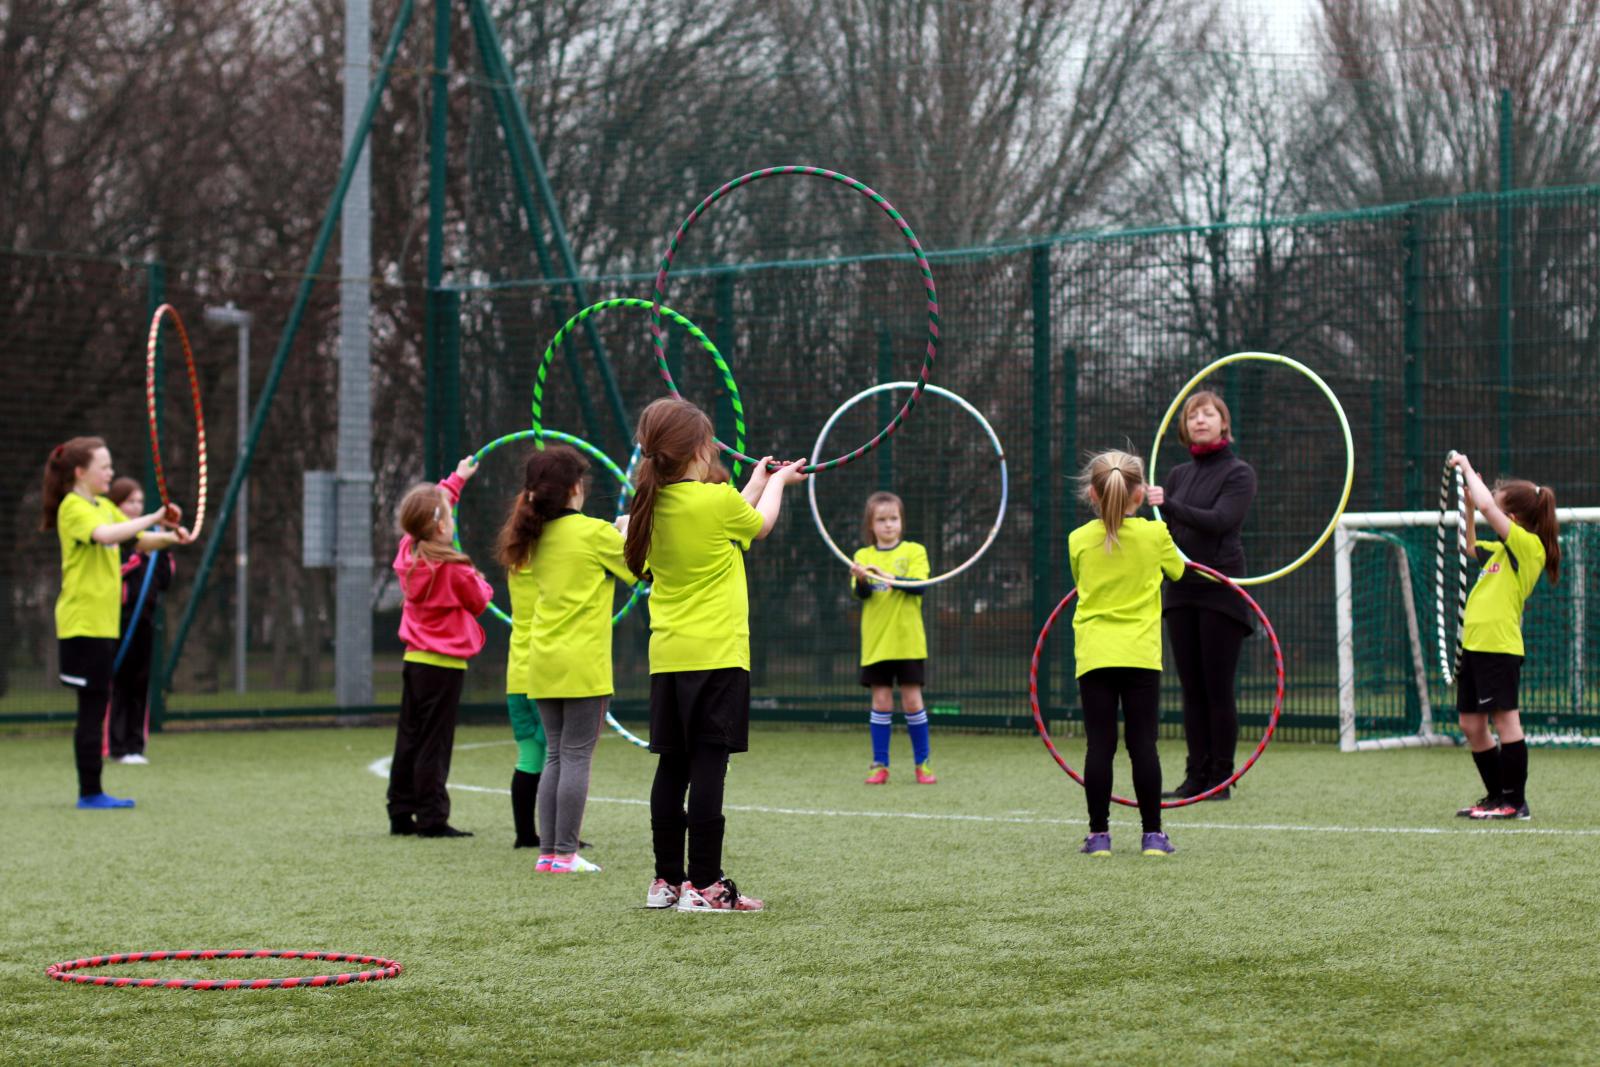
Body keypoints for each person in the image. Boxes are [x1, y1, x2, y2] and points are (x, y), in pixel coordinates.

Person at [624, 397, 807, 912]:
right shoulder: (713, 501)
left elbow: (732, 512)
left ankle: (667, 882)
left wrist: (757, 479)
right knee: (708, 767)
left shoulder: (651, 507)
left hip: (670, 661)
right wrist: (776, 484)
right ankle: (704, 885)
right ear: (696, 452)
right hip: (719, 658)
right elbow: (759, 524)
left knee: (672, 768)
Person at [497, 444, 634, 874]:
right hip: (581, 665)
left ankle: (549, 854)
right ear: (576, 488)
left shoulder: (532, 537)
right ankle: (566, 854)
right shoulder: (595, 534)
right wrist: (627, 532)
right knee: (574, 756)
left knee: (556, 755)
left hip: (542, 663)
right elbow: (643, 571)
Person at [41, 437, 188, 809]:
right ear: (80, 472)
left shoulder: (104, 505)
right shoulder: (73, 509)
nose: (110, 472)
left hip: (104, 625)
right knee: (92, 707)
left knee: (97, 703)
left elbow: (136, 541)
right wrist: (155, 517)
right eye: (103, 466)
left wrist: (171, 537)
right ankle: (90, 792)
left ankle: (92, 790)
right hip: (81, 625)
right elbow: (106, 536)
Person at [1069, 449, 1185, 857]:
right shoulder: (1156, 536)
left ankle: (1098, 837)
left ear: (1092, 494)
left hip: (1095, 654)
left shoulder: (1078, 539)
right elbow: (1178, 571)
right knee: (1143, 745)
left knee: (1099, 746)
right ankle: (1153, 835)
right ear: (1139, 494)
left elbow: (1081, 578)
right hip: (1140, 655)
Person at [1146, 390, 1256, 801]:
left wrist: (1169, 505)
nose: (1200, 420)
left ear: (1223, 423)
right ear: (1184, 426)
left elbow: (1221, 520)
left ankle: (1221, 777)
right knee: (1191, 689)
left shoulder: (1239, 473)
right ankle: (1195, 775)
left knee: (1217, 687)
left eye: (1208, 414)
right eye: (1193, 415)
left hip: (1220, 589)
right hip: (1181, 589)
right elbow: (1166, 534)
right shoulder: (1177, 475)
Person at [1448, 453, 1560, 821]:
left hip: (1499, 648)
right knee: (1470, 724)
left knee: (1505, 720)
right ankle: (1497, 797)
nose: (1486, 510)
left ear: (1511, 519)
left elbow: (1485, 502)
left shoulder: (1529, 548)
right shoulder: (1500, 551)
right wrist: (1467, 507)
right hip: (1475, 646)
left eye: (1495, 509)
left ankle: (1515, 801)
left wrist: (1465, 466)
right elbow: (1469, 547)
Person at [387, 457, 493, 839]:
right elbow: (481, 600)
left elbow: (432, 508)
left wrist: (457, 480)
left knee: (410, 736)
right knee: (435, 741)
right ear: (442, 526)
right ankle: (432, 818)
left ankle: (400, 812)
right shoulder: (456, 569)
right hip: (445, 665)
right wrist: (480, 579)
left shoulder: (408, 554)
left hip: (415, 660)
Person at [850, 491, 935, 785]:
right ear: (871, 525)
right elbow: (860, 594)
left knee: (912, 701)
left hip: (908, 641)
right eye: (882, 520)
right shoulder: (863, 557)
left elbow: (919, 587)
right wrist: (863, 579)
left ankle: (922, 764)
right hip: (876, 645)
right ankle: (879, 764)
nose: (888, 525)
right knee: (882, 702)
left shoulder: (914, 551)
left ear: (902, 521)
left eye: (894, 519)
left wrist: (885, 575)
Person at [105, 477, 176, 765]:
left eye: (138, 502)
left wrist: (165, 545)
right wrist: (137, 556)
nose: (134, 507)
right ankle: (115, 745)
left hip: (144, 623)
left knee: (140, 683)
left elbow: (164, 580)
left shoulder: (152, 538)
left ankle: (135, 745)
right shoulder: (110, 534)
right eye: (129, 502)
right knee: (117, 684)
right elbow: (110, 573)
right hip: (115, 621)